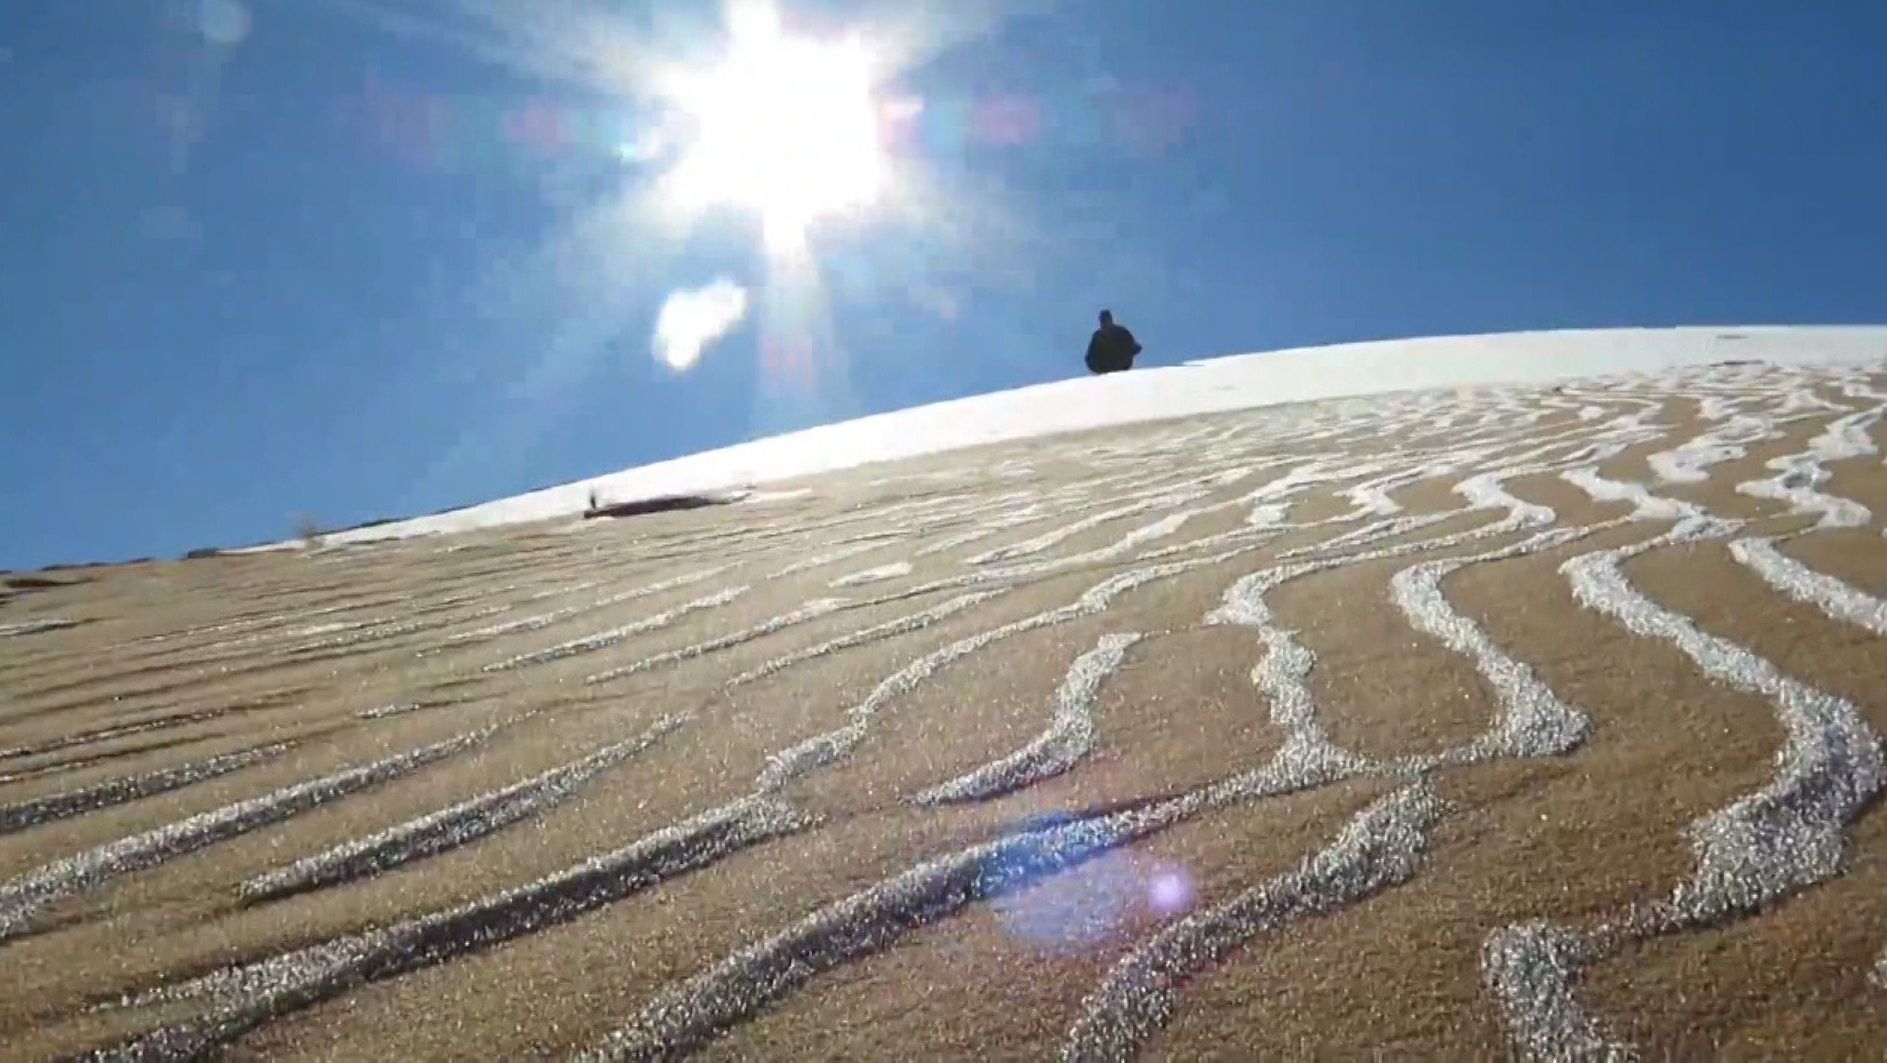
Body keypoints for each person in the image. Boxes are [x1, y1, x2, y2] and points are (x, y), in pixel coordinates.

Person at [1084, 309, 1142, 375]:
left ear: (1111, 320)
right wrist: (1098, 369)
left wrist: (1128, 353)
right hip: (1105, 372)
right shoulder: (1097, 337)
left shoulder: (1121, 332)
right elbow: (1089, 358)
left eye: (1106, 321)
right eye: (1102, 321)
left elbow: (1134, 347)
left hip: (1121, 371)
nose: (1104, 324)